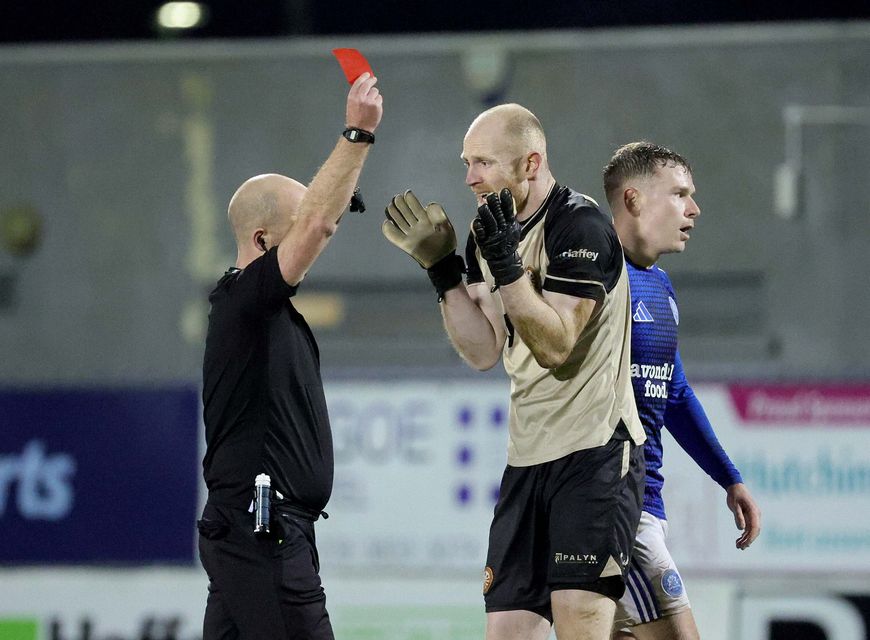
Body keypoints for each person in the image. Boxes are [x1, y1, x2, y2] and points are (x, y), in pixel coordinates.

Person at [382, 103, 646, 640]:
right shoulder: (489, 232)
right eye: (466, 162)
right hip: (527, 462)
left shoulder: (581, 225)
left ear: (531, 163)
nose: (469, 177)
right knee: (505, 632)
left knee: (581, 625)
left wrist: (507, 270)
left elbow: (556, 345)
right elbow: (482, 350)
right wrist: (443, 272)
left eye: (483, 162)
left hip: (594, 454)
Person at [196, 73, 383, 640]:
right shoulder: (243, 300)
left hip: (258, 528)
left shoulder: (262, 311)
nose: (317, 242)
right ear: (260, 240)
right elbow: (318, 222)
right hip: (262, 531)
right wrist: (357, 135)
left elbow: (320, 216)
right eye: (294, 229)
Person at [603, 141, 762, 640]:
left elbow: (672, 391)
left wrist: (728, 477)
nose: (694, 209)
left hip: (643, 504)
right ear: (633, 200)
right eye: (679, 194)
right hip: (613, 509)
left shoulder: (660, 286)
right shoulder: (595, 281)